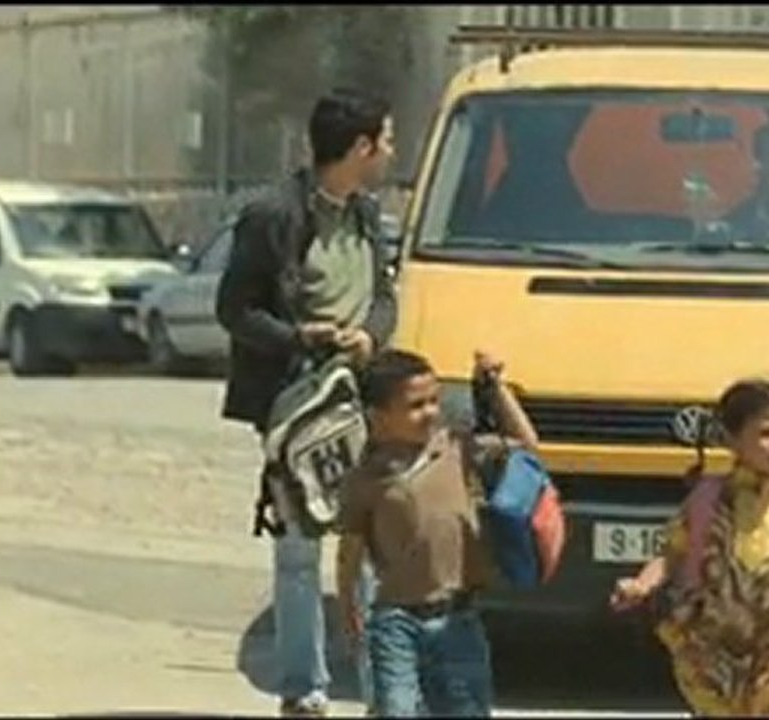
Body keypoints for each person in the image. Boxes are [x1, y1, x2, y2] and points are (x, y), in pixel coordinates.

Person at [215, 88, 398, 717]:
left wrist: (370, 335)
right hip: (297, 404)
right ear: (360, 147)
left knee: (374, 547)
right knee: (299, 548)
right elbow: (235, 310)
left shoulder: (368, 217)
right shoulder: (272, 217)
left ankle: (385, 691)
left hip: (361, 400)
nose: (391, 153)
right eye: (386, 141)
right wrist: (302, 338)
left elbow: (385, 297)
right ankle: (304, 689)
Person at [336, 348, 539, 717]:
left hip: (458, 618)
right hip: (395, 622)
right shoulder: (365, 479)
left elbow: (527, 444)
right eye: (415, 405)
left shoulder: (456, 448)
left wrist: (495, 388)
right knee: (396, 709)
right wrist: (348, 607)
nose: (430, 412)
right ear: (378, 416)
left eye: (434, 401)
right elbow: (349, 549)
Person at [610, 377, 769, 716]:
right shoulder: (708, 499)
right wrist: (641, 585)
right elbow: (672, 556)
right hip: (715, 664)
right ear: (733, 440)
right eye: (765, 434)